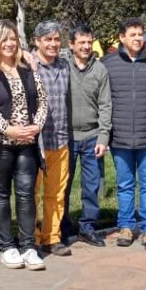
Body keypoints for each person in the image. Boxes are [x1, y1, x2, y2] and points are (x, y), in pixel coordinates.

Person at [0, 20, 47, 270]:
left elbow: (42, 100)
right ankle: (7, 246)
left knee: (27, 194)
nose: (9, 43)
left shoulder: (26, 67)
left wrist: (36, 126)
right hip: (2, 143)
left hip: (27, 143)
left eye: (13, 38)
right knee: (1, 193)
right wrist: (8, 129)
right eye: (4, 39)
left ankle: (28, 246)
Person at [102, 17, 146, 250]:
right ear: (122, 38)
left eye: (140, 34)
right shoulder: (107, 63)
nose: (138, 38)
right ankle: (126, 226)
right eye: (133, 35)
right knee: (125, 185)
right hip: (119, 137)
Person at [59, 24, 111, 247]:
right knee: (63, 184)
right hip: (65, 136)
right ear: (71, 44)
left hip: (91, 136)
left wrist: (103, 138)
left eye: (89, 42)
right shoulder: (60, 66)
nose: (86, 46)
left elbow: (105, 105)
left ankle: (87, 226)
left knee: (91, 186)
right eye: (81, 42)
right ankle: (60, 225)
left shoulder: (100, 70)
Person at [31, 21, 73, 257]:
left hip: (60, 139)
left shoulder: (65, 66)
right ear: (37, 41)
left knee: (56, 193)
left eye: (57, 39)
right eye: (48, 39)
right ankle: (31, 237)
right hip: (34, 143)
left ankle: (51, 237)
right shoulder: (28, 65)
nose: (53, 44)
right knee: (31, 193)